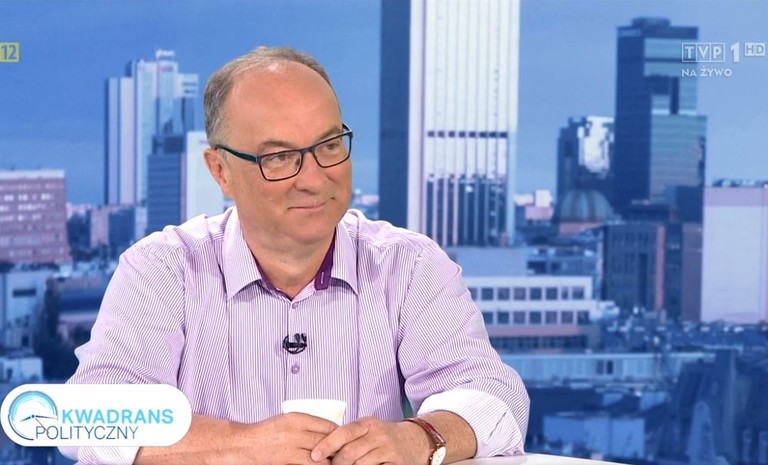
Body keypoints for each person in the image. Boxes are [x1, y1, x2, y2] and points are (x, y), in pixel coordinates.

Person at [62, 46, 529, 465]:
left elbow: (496, 397)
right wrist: (242, 447)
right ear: (220, 171)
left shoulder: (409, 265)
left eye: (329, 145)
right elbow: (86, 419)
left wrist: (421, 438)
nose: (314, 179)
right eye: (279, 157)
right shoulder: (163, 269)